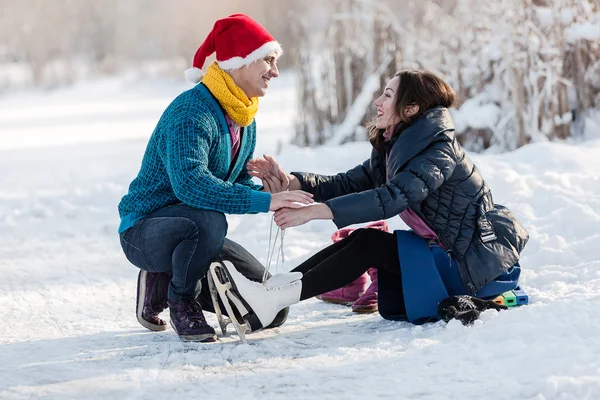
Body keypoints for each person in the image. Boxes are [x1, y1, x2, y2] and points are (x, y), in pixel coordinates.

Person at [221, 69, 529, 331]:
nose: (377, 101)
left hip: (471, 268)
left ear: (410, 109)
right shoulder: (398, 147)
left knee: (370, 244)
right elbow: (348, 183)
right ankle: (273, 291)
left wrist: (315, 212)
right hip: (444, 254)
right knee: (366, 241)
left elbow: (392, 198)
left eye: (387, 95)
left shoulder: (438, 150)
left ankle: (273, 298)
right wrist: (291, 181)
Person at [117, 14, 313, 342]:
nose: (275, 72)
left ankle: (165, 281)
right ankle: (181, 300)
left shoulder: (243, 117)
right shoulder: (191, 112)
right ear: (240, 62)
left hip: (195, 231)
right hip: (145, 230)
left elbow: (229, 183)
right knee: (208, 221)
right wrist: (264, 202)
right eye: (268, 60)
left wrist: (266, 187)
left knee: (273, 309)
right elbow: (191, 185)